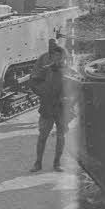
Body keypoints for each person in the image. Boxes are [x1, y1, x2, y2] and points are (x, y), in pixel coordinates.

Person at [30, 40, 68, 172]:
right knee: (42, 136)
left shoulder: (68, 71)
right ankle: (38, 163)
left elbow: (77, 89)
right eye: (54, 56)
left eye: (59, 56)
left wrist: (68, 99)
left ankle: (57, 163)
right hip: (47, 107)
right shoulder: (46, 70)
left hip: (61, 109)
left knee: (61, 136)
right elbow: (33, 81)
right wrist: (42, 92)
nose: (56, 59)